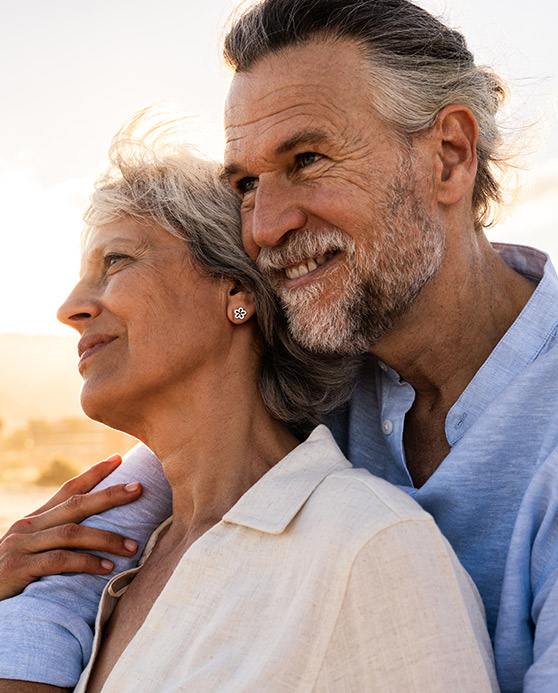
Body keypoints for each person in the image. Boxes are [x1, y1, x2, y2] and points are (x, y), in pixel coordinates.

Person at [0, 0, 556, 690]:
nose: (263, 227)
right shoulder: (319, 359)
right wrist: (29, 603)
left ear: (449, 157)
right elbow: (119, 518)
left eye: (307, 158)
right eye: (246, 184)